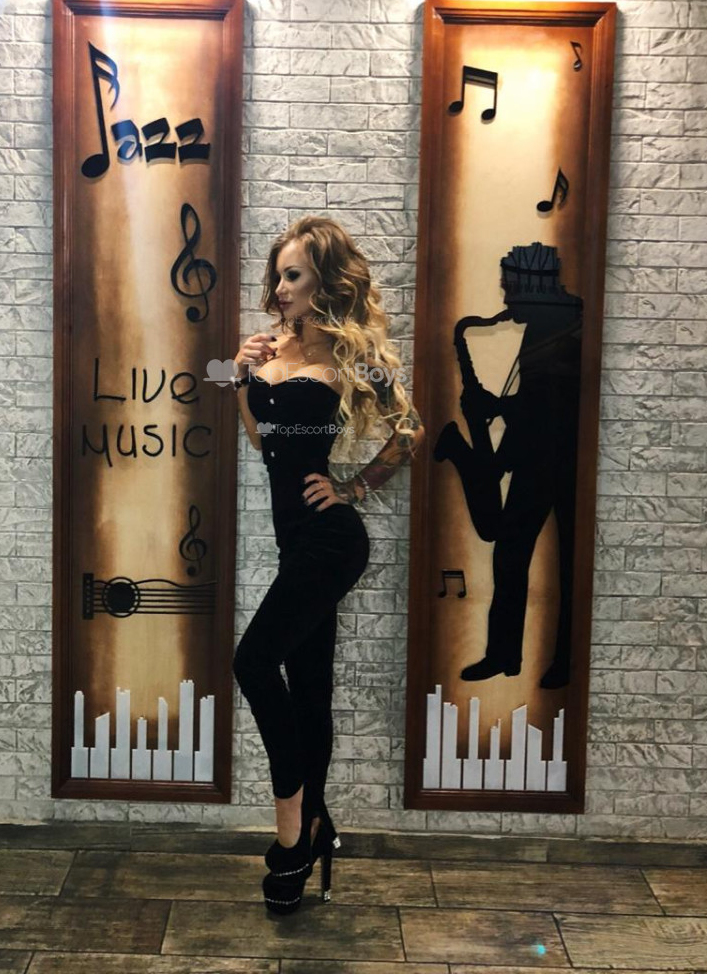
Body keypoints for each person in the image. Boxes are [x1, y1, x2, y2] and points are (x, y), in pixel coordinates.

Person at [230, 216, 425, 914]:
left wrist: (352, 487)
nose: (279, 288)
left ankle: (292, 833)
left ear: (325, 282)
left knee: (252, 664)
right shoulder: (271, 348)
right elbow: (262, 441)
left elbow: (409, 431)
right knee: (308, 689)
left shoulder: (353, 356)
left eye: (294, 276)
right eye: (277, 275)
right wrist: (241, 377)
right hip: (295, 542)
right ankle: (317, 824)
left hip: (331, 540)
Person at [433, 242, 583, 690]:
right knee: (509, 558)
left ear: (530, 283)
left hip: (563, 464)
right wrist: (494, 410)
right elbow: (537, 399)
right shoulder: (548, 323)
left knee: (565, 567)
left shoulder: (569, 325)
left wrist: (495, 408)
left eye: (509, 285)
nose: (503, 294)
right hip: (537, 459)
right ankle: (504, 655)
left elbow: (557, 407)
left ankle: (563, 662)